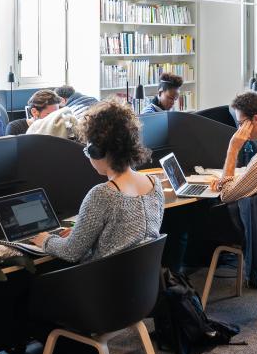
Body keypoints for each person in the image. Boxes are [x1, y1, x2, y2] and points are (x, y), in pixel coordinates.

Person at [31, 100, 163, 262]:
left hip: (100, 283)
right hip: (140, 283)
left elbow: (71, 252)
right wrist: (82, 233)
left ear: (96, 151)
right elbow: (129, 238)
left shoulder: (102, 194)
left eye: (87, 149)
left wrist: (45, 239)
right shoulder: (155, 184)